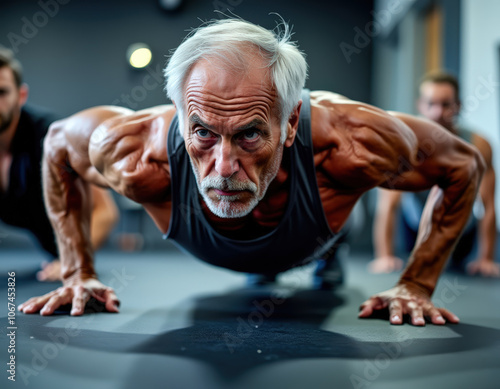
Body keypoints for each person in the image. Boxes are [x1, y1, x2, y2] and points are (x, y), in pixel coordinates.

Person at [18, 19, 484, 326]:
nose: (223, 167)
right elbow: (58, 141)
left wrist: (416, 283)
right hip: (224, 247)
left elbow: (464, 165)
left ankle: (327, 259)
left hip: (321, 232)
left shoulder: (349, 143)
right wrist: (78, 272)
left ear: (291, 123)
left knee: (331, 235)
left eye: (248, 136)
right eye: (202, 132)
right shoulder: (138, 152)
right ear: (180, 116)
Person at [0, 47, 119, 281]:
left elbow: (105, 213)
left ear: (21, 96)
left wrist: (72, 259)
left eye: (2, 92)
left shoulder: (52, 137)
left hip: (71, 251)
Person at [370, 72, 499, 277]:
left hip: (461, 234)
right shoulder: (402, 143)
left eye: (446, 104)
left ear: (458, 105)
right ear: (420, 105)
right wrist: (384, 255)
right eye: (432, 104)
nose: (438, 112)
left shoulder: (479, 145)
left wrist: (486, 259)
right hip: (415, 231)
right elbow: (388, 204)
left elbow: (489, 205)